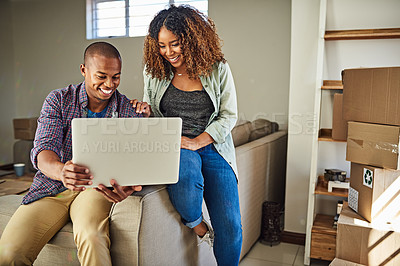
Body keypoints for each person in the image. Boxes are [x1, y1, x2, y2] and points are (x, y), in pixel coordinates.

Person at [0, 42, 149, 266]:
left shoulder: (127, 109)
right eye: (101, 76)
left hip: (95, 189)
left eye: (116, 77)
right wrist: (62, 172)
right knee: (10, 253)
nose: (109, 84)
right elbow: (43, 150)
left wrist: (127, 185)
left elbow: (138, 162)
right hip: (52, 188)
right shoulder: (58, 100)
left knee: (92, 236)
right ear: (84, 70)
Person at [139, 5, 243, 265]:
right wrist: (143, 111)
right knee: (185, 177)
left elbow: (228, 115)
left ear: (191, 39)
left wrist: (198, 141)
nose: (168, 52)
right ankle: (199, 228)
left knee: (230, 225)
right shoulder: (154, 72)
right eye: (161, 46)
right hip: (175, 146)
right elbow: (151, 113)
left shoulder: (217, 69)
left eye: (174, 44)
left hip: (213, 145)